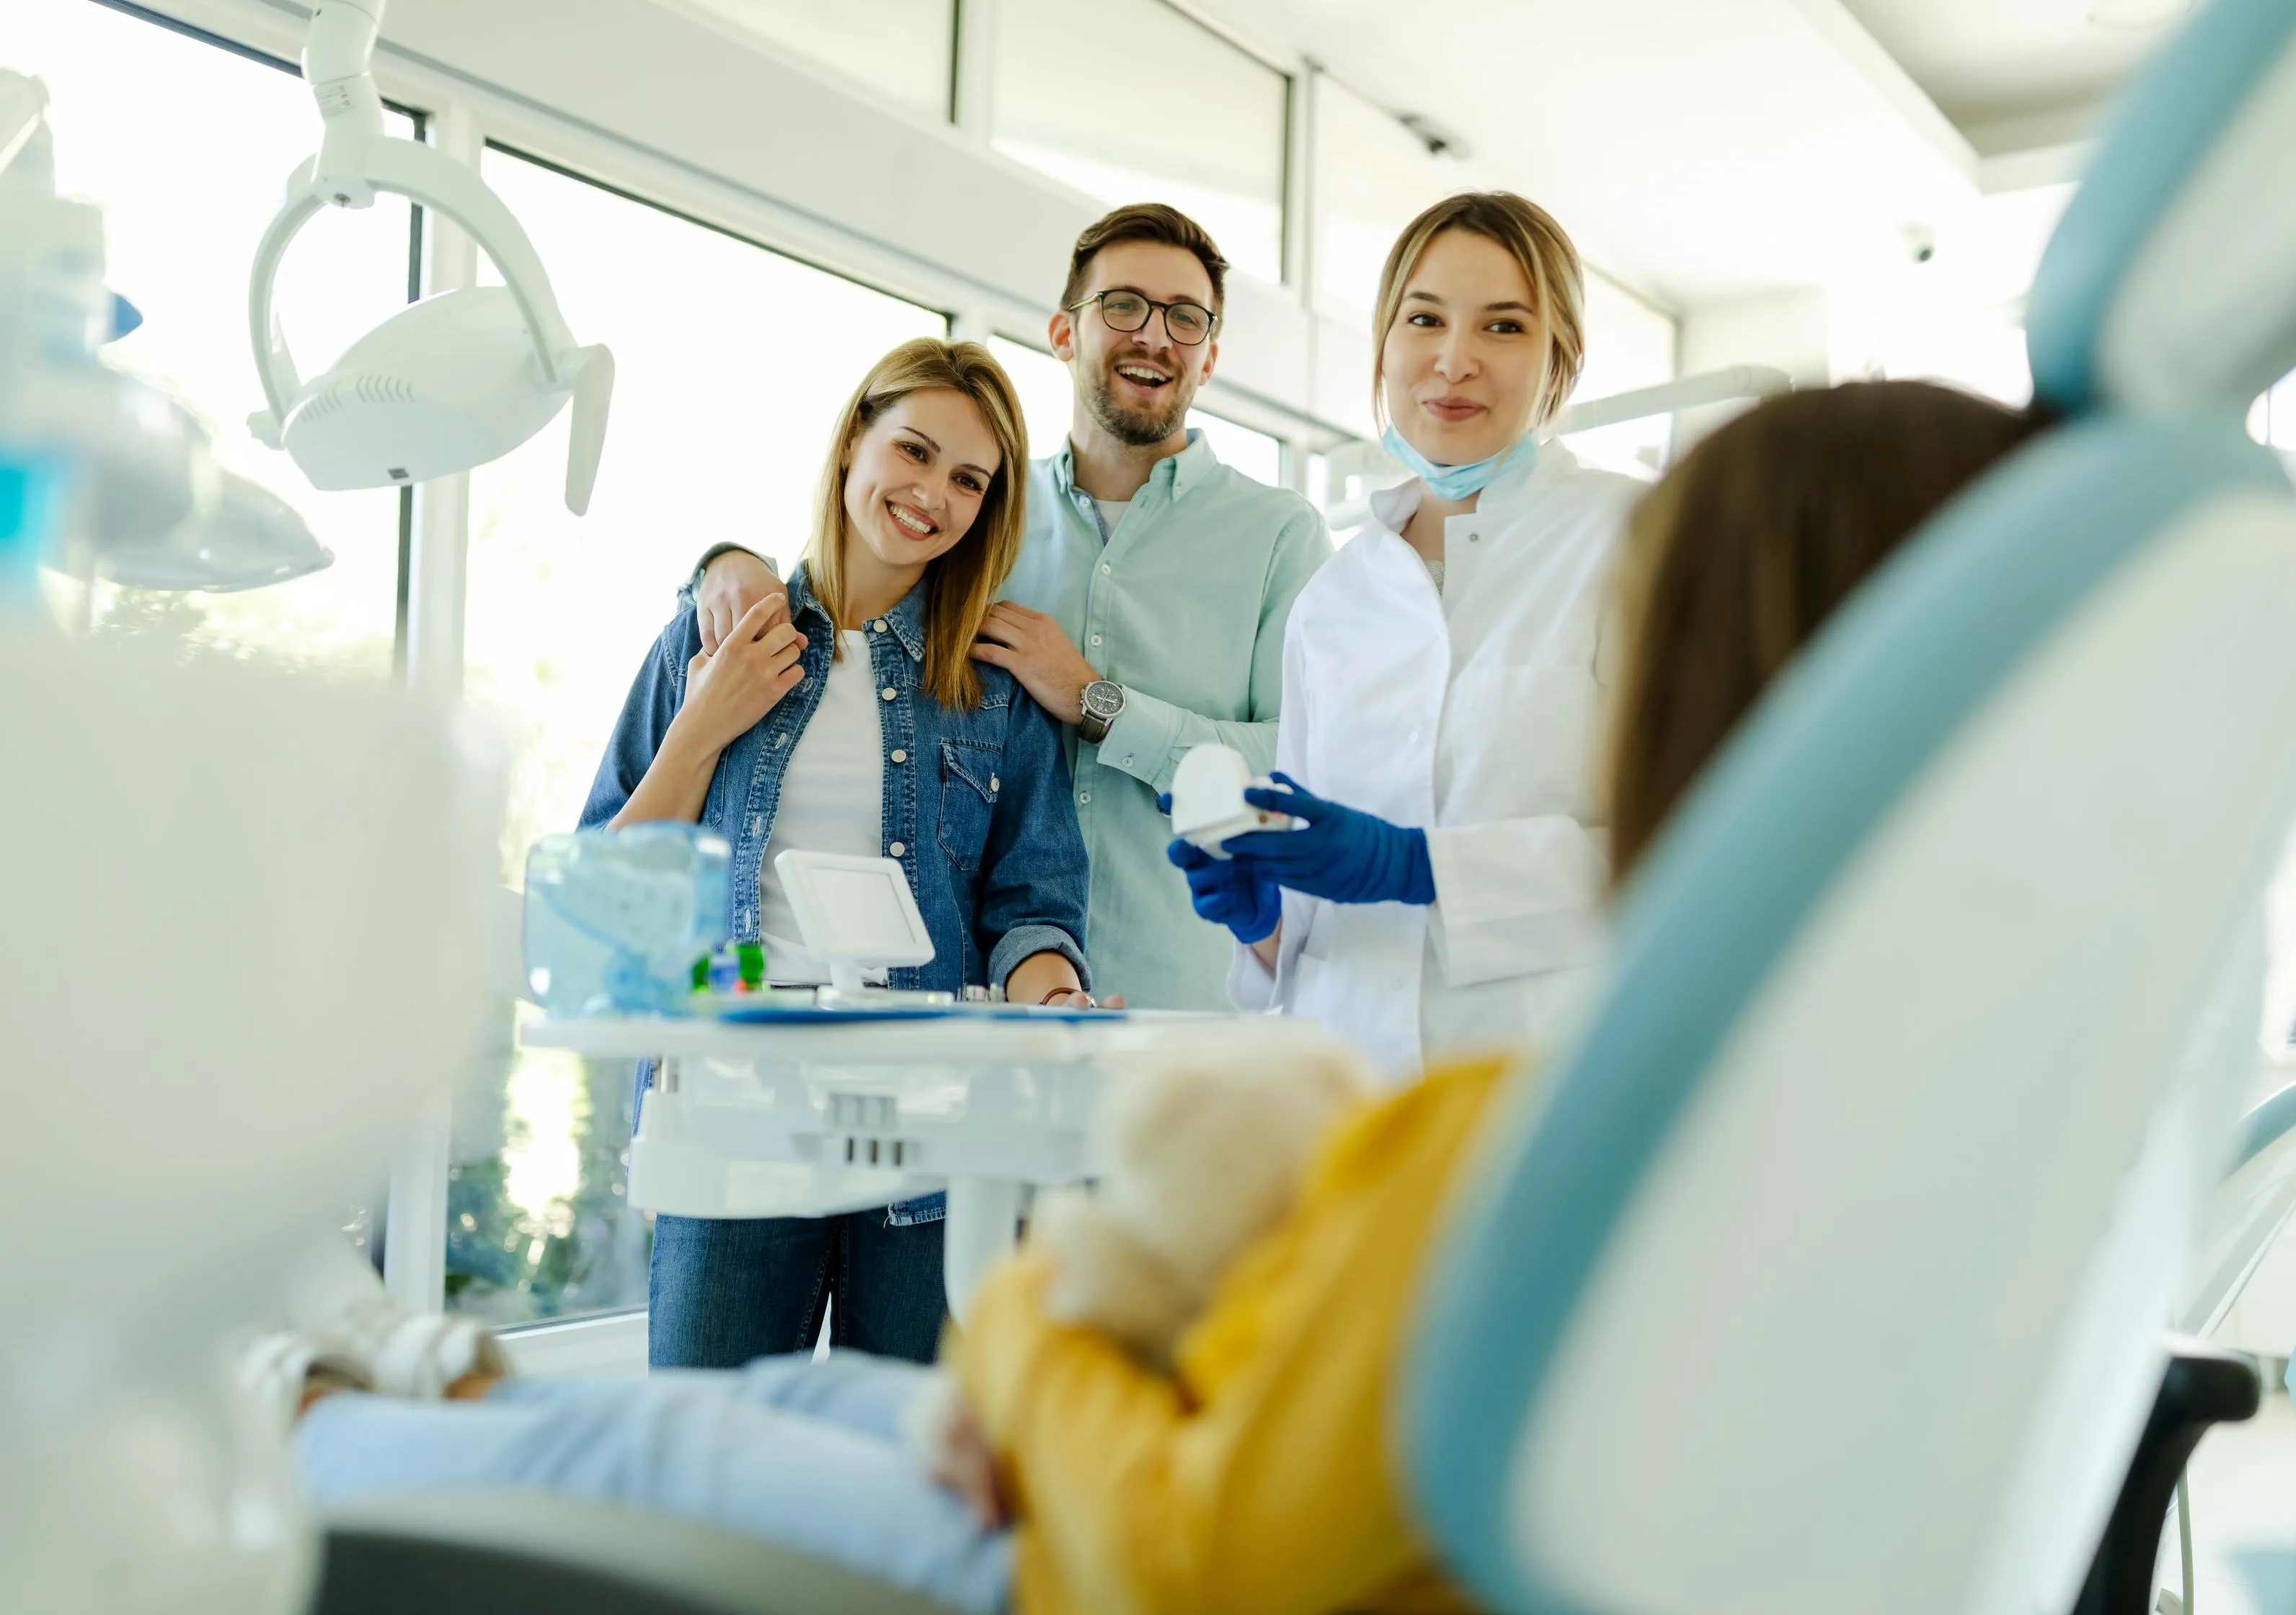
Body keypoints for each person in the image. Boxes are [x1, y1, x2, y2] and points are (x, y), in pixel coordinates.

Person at [272, 379, 2046, 1615]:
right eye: (919, 460)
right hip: (1085, 1396)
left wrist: (1040, 1343)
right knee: (759, 1403)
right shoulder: (1871, 1084)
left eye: (1631, 636)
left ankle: (327, 1415)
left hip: (1070, 1551)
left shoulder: (1573, 1128)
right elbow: (603, 868)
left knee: (621, 1445)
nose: (942, 500)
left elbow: (1204, 1551)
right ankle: (385, 1377)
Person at [583, 336, 1097, 1371]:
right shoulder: (714, 631)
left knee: (908, 1479)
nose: (931, 496)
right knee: (708, 1460)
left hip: (932, 1137)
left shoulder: (990, 684)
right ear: (855, 436)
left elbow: (1031, 906)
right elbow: (607, 890)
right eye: (913, 451)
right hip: (732, 1120)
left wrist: (1054, 998)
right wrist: (702, 724)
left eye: (967, 481)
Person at [689, 205, 1333, 1012]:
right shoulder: (975, 508)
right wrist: (722, 563)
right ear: (1065, 333)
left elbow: (1308, 769)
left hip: (1187, 1007)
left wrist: (1100, 703)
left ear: (1209, 358)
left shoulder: (1280, 537)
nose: (1156, 336)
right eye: (1124, 305)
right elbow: (843, 612)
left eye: (1186, 318)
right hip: (988, 1018)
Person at [1170, 192, 1639, 1081]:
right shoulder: (1332, 598)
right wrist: (1261, 916)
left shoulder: (1631, 541)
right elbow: (1313, 937)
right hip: (1343, 1091)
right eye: (1423, 319)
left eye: (1504, 327)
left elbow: (1683, 847)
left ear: (1560, 363)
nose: (1452, 360)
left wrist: (1418, 866)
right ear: (1384, 346)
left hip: (1541, 1083)